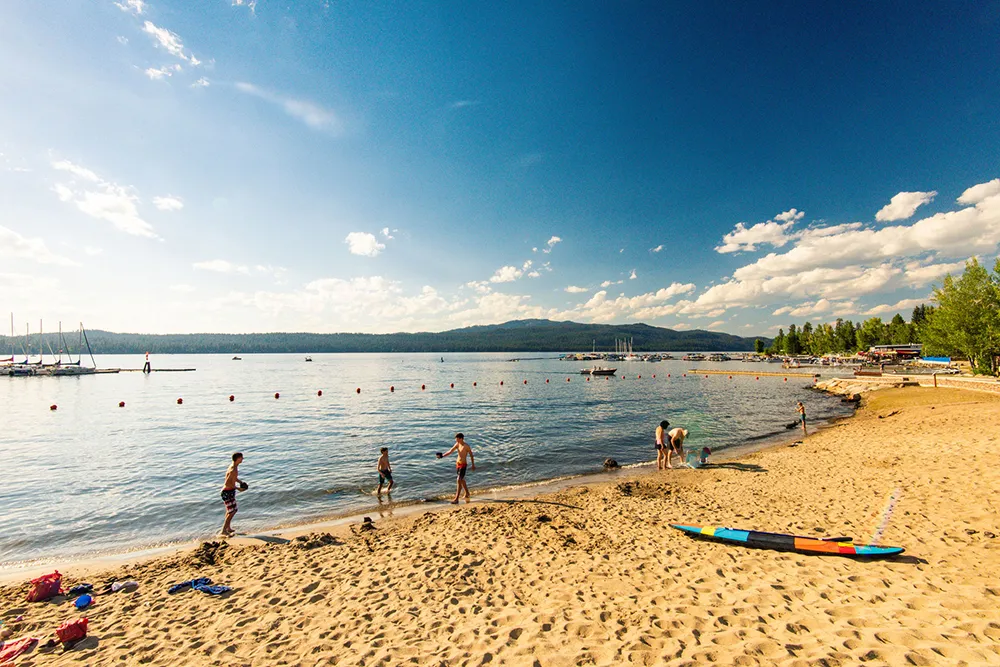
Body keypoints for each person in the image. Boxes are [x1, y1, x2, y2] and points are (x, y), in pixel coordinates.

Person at [440, 433, 475, 503]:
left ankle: (456, 499)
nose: (456, 440)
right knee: (461, 480)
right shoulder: (457, 444)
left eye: (457, 438)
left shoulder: (466, 446)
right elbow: (450, 451)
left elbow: (471, 455)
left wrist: (473, 465)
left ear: (461, 438)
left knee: (458, 480)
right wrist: (442, 456)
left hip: (463, 465)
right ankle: (467, 493)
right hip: (458, 464)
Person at [220, 452, 245, 537]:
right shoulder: (233, 469)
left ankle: (228, 528)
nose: (243, 459)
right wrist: (238, 488)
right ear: (238, 459)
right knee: (232, 511)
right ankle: (223, 530)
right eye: (242, 458)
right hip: (227, 492)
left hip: (230, 491)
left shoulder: (233, 467)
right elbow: (227, 482)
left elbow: (233, 478)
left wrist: (240, 482)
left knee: (232, 510)